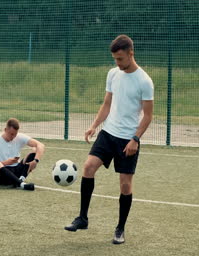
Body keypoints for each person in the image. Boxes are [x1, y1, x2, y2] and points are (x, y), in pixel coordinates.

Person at [64, 35, 154, 244]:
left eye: (120, 58)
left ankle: (120, 229)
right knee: (88, 167)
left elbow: (148, 116)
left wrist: (135, 139)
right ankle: (82, 218)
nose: (117, 63)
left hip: (127, 139)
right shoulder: (113, 74)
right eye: (115, 59)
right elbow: (106, 104)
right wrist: (94, 125)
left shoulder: (144, 81)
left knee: (125, 185)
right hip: (108, 133)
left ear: (131, 53)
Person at [0, 118, 45, 191]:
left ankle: (21, 179)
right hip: (2, 176)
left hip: (17, 170)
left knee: (35, 149)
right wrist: (7, 162)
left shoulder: (19, 137)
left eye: (15, 134)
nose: (13, 137)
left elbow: (40, 145)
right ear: (5, 130)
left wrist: (36, 161)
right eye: (11, 134)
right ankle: (21, 184)